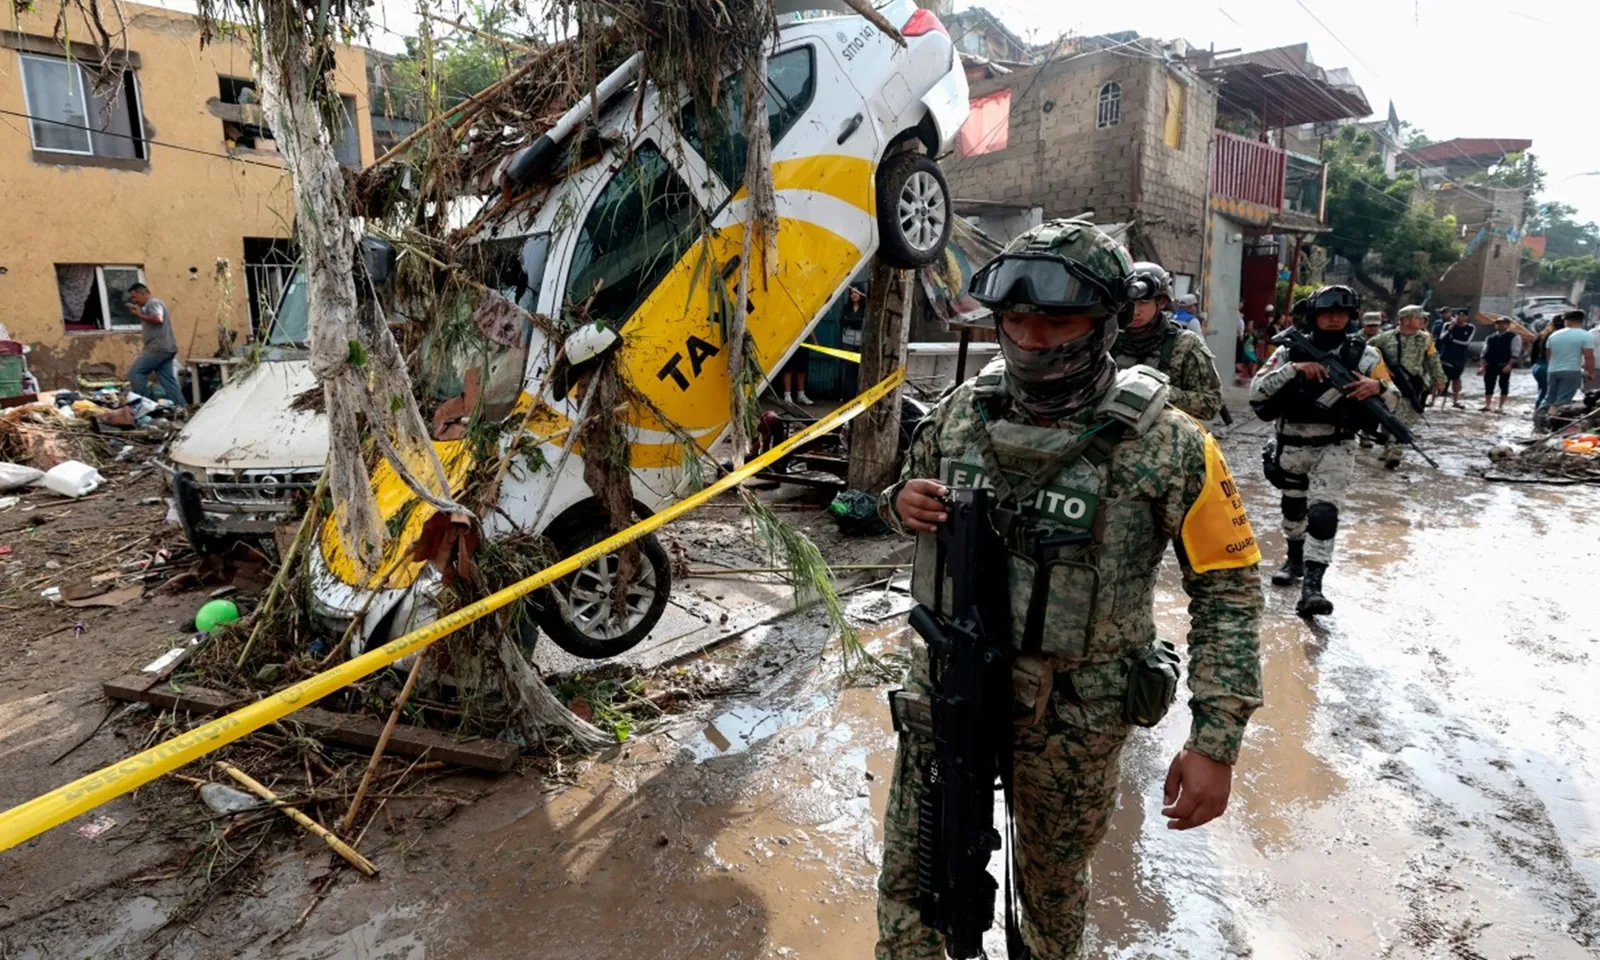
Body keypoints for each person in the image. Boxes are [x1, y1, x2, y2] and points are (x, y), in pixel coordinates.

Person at [876, 219, 1263, 959]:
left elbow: (1229, 592)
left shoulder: (1173, 443)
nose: (1032, 338)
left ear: (1106, 321)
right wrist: (904, 505)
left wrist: (1216, 740)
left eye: (1057, 320)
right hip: (948, 692)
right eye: (1016, 319)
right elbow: (908, 496)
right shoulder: (961, 414)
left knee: (1049, 904)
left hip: (1073, 717)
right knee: (917, 886)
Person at [1250, 285, 1397, 616]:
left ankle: (1313, 588)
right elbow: (1256, 392)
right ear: (1314, 316)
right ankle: (1294, 559)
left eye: (1341, 314)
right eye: (1327, 313)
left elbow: (1393, 399)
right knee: (1293, 507)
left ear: (1351, 318)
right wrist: (1295, 370)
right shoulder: (1289, 352)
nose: (1334, 318)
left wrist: (1378, 386)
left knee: (1323, 514)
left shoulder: (1366, 356)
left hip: (1336, 443)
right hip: (1292, 442)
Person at [1112, 261, 1224, 420]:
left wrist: (1155, 392)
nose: (1135, 311)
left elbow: (1210, 404)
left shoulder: (1186, 345)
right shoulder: (1106, 338)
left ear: (1161, 302)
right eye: (1128, 304)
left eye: (1143, 302)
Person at [1368, 305, 1447, 468]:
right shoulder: (1385, 338)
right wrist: (1383, 367)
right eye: (1418, 317)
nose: (1423, 321)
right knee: (1388, 418)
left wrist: (1439, 379)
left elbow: (1433, 359)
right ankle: (1388, 446)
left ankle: (1395, 453)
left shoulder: (1426, 338)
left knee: (1406, 419)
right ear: (1405, 320)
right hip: (1388, 385)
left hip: (1413, 385)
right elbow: (1366, 351)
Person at [126, 283, 185, 407]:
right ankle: (181, 407)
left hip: (157, 348)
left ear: (142, 293)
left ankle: (144, 406)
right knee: (167, 379)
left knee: (136, 373)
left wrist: (139, 315)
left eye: (135, 297)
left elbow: (158, 319)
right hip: (167, 348)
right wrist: (141, 312)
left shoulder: (153, 303)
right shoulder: (150, 305)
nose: (134, 301)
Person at [1543, 310, 1597, 411]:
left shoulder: (1553, 335)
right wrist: (1591, 373)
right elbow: (1589, 356)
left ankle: (1542, 419)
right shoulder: (1586, 335)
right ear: (1582, 321)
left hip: (1552, 371)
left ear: (1568, 322)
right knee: (1563, 400)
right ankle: (1555, 422)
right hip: (1571, 371)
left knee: (1550, 398)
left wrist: (1551, 367)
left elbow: (1549, 355)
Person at [1436, 310, 1475, 409]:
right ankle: (1433, 400)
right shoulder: (1447, 325)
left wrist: (1453, 340)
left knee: (1456, 378)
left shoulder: (1470, 327)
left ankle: (1455, 401)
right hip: (1445, 355)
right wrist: (1450, 329)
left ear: (1466, 317)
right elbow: (1442, 338)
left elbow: (1466, 343)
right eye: (1458, 315)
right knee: (1439, 376)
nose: (1460, 318)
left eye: (1463, 316)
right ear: (1455, 316)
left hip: (1459, 357)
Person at [1478, 316, 1517, 413]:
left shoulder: (1514, 337)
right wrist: (1482, 366)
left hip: (1504, 364)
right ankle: (1487, 405)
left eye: (1504, 323)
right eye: (1499, 323)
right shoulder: (1490, 338)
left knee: (1504, 385)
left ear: (1508, 325)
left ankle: (1501, 406)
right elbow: (1484, 352)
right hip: (1490, 364)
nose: (1501, 325)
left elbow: (1515, 352)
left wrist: (1509, 365)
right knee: (1488, 384)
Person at [1528, 321, 1554, 409]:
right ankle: (1542, 412)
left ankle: (1538, 410)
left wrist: (1533, 366)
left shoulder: (1540, 336)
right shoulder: (1554, 336)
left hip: (1538, 365)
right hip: (1547, 365)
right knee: (1547, 392)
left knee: (1542, 390)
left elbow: (1532, 353)